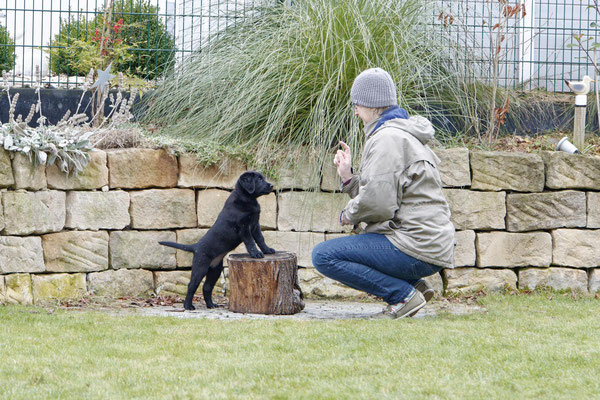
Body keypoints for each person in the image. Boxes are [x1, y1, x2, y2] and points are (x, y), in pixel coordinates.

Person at [311, 67, 455, 319]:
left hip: (414, 244)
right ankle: (414, 287)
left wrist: (348, 214)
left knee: (323, 256)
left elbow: (378, 204)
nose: (355, 110)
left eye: (357, 104)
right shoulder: (399, 134)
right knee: (339, 250)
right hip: (426, 244)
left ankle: (403, 296)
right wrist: (348, 177)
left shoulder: (387, 139)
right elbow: (382, 194)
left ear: (371, 104)